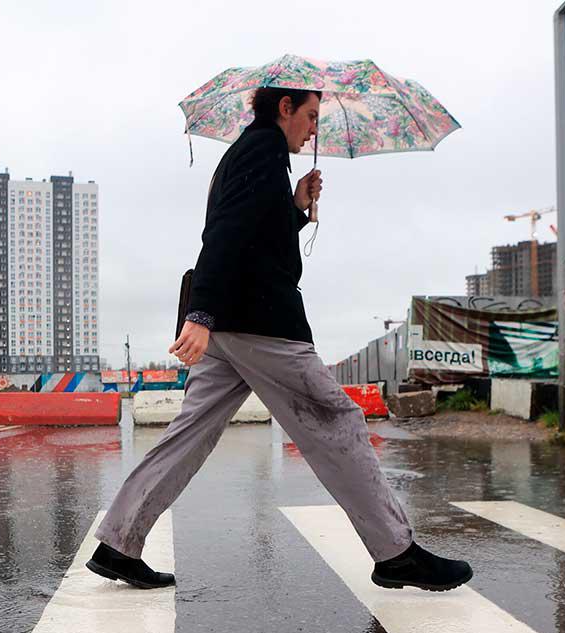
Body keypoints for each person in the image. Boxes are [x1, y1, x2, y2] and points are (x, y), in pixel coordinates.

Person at [87, 86, 472, 592]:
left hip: (233, 325)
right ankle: (396, 552)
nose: (315, 128)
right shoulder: (262, 152)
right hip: (262, 324)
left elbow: (256, 234)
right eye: (311, 115)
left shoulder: (251, 155)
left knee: (190, 434)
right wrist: (200, 312)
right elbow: (225, 235)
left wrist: (294, 207)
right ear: (284, 108)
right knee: (338, 419)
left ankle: (118, 542)